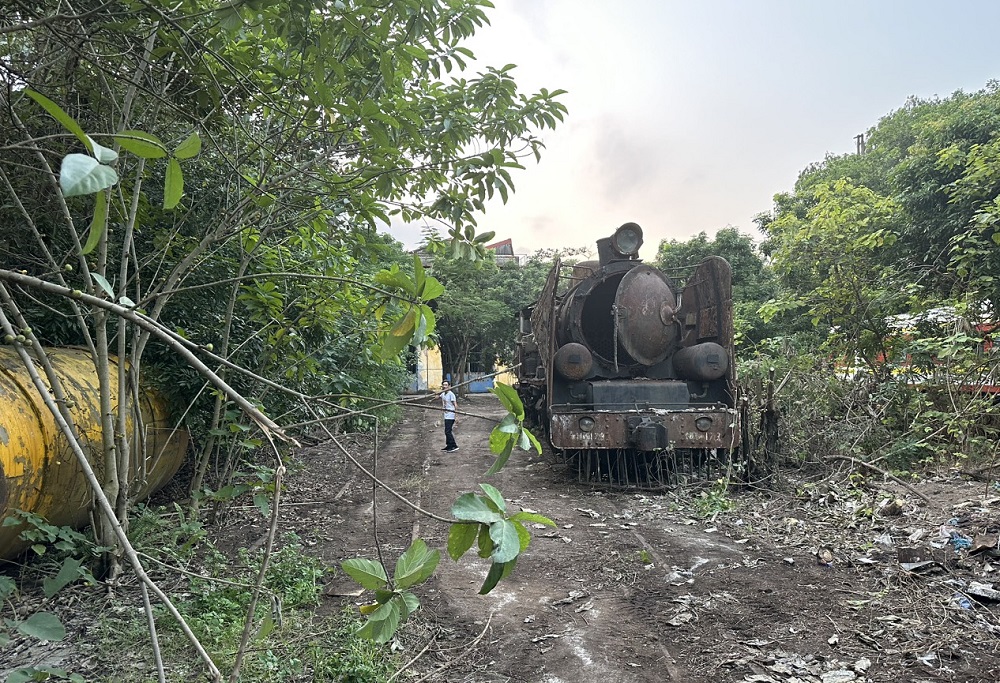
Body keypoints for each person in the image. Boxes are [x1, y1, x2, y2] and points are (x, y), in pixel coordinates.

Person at [440, 381, 458, 452]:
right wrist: (430, 400)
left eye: (446, 385)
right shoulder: (443, 394)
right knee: (446, 431)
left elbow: (455, 405)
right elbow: (437, 396)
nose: (444, 386)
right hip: (446, 415)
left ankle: (454, 445)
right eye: (443, 385)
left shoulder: (451, 394)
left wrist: (456, 416)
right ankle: (448, 445)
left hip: (451, 415)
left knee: (448, 431)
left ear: (449, 386)